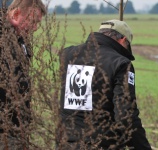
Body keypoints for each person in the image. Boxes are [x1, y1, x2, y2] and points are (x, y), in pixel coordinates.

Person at [57, 19, 152, 150]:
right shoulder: (121, 63)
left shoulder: (67, 55)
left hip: (65, 143)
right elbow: (126, 116)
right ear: (123, 40)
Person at [0, 0, 46, 149]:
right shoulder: (3, 39)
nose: (35, 28)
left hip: (17, 126)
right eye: (33, 21)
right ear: (16, 14)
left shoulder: (20, 40)